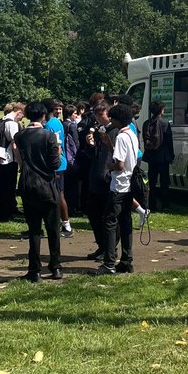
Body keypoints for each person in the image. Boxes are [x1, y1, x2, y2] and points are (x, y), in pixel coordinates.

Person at [14, 100, 62, 281]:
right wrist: (57, 150)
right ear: (43, 115)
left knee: (34, 230)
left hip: (28, 184)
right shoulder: (49, 135)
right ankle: (56, 267)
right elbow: (55, 164)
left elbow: (18, 158)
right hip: (47, 185)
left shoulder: (20, 136)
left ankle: (34, 270)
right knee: (53, 229)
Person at [98, 102, 138, 274]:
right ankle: (127, 259)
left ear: (117, 119)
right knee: (125, 221)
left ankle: (109, 262)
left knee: (109, 222)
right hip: (130, 184)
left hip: (119, 184)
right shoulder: (131, 135)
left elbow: (120, 164)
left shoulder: (121, 137)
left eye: (112, 118)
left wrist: (110, 165)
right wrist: (109, 144)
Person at [85, 100, 113, 261]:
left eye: (100, 114)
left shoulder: (114, 131)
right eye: (96, 114)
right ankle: (102, 245)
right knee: (93, 214)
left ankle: (107, 248)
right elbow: (94, 155)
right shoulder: (98, 130)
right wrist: (91, 145)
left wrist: (106, 176)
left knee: (105, 217)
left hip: (106, 179)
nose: (98, 118)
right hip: (96, 176)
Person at [43, 99, 73, 236]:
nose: (58, 111)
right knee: (56, 194)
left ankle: (66, 225)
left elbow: (57, 146)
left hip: (57, 165)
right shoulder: (54, 122)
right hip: (57, 163)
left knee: (59, 194)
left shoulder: (51, 123)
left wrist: (52, 163)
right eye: (56, 108)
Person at [0, 102, 24, 223]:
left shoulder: (1, 121)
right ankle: (5, 212)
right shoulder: (11, 124)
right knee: (8, 187)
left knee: (2, 186)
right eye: (22, 116)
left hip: (0, 159)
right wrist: (20, 162)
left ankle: (7, 208)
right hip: (9, 159)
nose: (22, 119)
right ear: (19, 112)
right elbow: (14, 144)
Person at [141, 99, 174, 213]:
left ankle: (151, 204)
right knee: (164, 181)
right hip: (163, 156)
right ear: (161, 110)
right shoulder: (165, 123)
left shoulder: (146, 123)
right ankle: (165, 204)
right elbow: (169, 141)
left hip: (151, 156)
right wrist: (171, 155)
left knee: (152, 181)